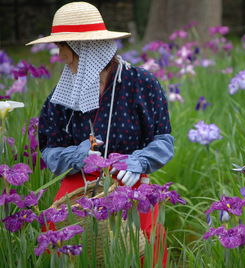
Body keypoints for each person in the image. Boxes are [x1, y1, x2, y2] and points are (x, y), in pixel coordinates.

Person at [27, 2, 173, 265]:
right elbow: (50, 151)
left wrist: (138, 162)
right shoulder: (60, 97)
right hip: (79, 180)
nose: (59, 55)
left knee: (145, 237)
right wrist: (79, 155)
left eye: (62, 46)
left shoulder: (141, 83)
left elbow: (162, 140)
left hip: (128, 177)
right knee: (59, 231)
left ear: (85, 47)